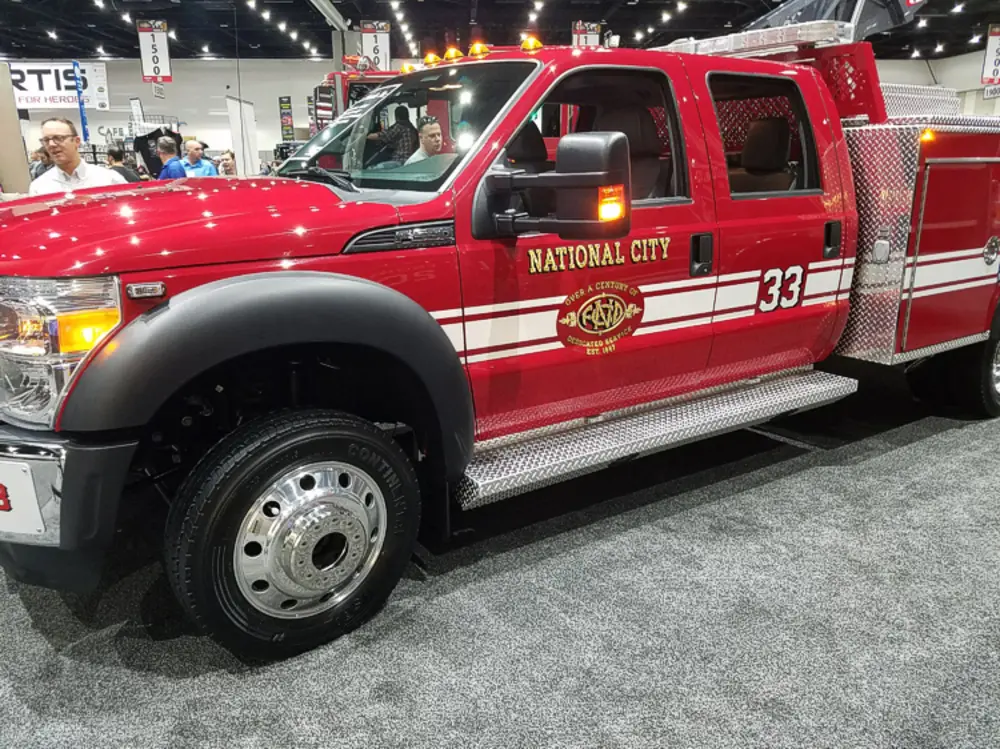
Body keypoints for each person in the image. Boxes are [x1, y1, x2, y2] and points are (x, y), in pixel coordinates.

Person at [29, 118, 127, 196]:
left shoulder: (110, 179)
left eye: (58, 138)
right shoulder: (39, 188)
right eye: (46, 140)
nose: (51, 144)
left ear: (76, 141)